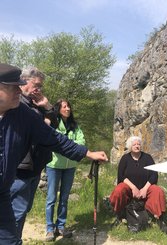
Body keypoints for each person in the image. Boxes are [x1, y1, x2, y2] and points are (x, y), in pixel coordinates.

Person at [0, 63, 108, 245]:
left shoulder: (24, 113)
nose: (19, 91)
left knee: (10, 241)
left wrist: (87, 153)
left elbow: (54, 138)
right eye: (13, 88)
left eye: (20, 86)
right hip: (19, 177)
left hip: (3, 193)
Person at [10, 67, 58, 240]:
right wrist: (44, 118)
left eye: (41, 86)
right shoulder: (17, 102)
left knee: (23, 211)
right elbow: (39, 130)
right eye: (36, 85)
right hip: (20, 168)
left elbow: (53, 128)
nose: (39, 89)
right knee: (17, 213)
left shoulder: (35, 103)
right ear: (24, 82)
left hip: (35, 166)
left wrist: (47, 107)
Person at [109, 136, 167, 235]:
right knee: (119, 190)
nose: (137, 146)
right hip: (129, 189)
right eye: (134, 144)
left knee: (157, 191)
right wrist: (133, 188)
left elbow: (154, 175)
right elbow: (121, 176)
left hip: (145, 188)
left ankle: (160, 219)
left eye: (138, 144)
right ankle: (119, 215)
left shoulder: (147, 158)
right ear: (130, 146)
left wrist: (145, 189)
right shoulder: (125, 158)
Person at [45, 99, 85, 241]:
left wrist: (68, 146)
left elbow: (82, 143)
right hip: (54, 166)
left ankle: (61, 226)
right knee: (51, 198)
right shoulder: (54, 124)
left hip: (70, 167)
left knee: (64, 198)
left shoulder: (75, 126)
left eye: (68, 106)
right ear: (58, 109)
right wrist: (70, 147)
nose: (67, 109)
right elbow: (54, 143)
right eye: (64, 107)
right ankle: (50, 229)